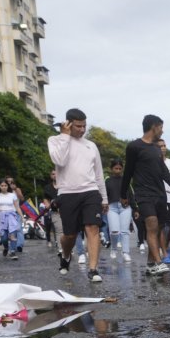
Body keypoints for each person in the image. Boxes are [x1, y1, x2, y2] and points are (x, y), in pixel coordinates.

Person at [47, 108, 108, 283]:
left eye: (84, 126)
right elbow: (59, 160)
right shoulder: (55, 140)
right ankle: (66, 255)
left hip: (90, 192)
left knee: (92, 228)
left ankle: (93, 269)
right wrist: (65, 137)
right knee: (70, 235)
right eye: (78, 126)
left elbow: (98, 174)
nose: (82, 130)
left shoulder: (91, 145)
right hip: (67, 193)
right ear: (68, 124)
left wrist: (103, 198)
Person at [120, 114, 170, 276]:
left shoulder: (156, 149)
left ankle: (150, 263)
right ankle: (159, 262)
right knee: (152, 225)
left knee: (159, 227)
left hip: (160, 194)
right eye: (161, 127)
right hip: (143, 193)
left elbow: (163, 171)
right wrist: (123, 194)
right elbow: (128, 172)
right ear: (154, 127)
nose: (162, 131)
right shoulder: (134, 146)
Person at [104, 160, 133, 263]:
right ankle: (114, 249)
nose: (118, 170)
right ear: (111, 169)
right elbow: (104, 194)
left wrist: (136, 208)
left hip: (125, 207)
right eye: (116, 168)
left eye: (120, 168)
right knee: (114, 231)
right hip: (112, 207)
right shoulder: (107, 180)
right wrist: (103, 205)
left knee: (125, 231)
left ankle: (125, 252)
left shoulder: (126, 179)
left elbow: (131, 193)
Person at [0, 179, 22, 260]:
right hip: (2, 217)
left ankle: (12, 252)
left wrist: (22, 216)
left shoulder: (12, 195)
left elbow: (17, 207)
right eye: (2, 186)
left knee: (13, 235)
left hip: (12, 216)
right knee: (4, 237)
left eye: (5, 185)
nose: (4, 187)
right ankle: (6, 247)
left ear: (8, 186)